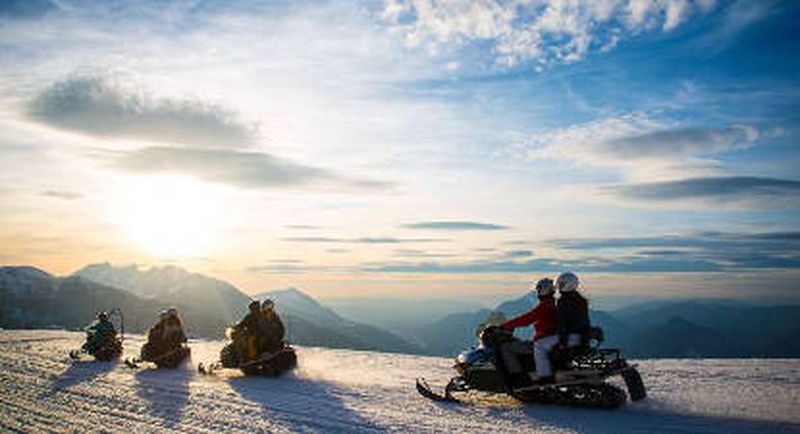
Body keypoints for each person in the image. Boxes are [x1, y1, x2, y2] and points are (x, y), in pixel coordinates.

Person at [500, 278, 558, 386]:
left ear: (543, 290)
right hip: (549, 339)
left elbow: (527, 319)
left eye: (538, 290)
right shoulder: (553, 304)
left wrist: (505, 326)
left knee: (506, 347)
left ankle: (518, 377)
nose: (537, 293)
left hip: (543, 340)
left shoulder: (544, 306)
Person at [555, 272, 591, 352]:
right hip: (583, 337)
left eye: (561, 284)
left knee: (541, 345)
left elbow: (562, 323)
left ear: (568, 285)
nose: (559, 287)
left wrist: (562, 343)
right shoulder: (581, 300)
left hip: (571, 336)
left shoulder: (563, 301)